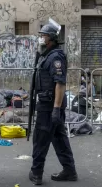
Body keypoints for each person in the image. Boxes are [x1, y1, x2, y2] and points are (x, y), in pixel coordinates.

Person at [29, 19, 78, 185]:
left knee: (41, 139)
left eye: (42, 35)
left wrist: (56, 109)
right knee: (59, 138)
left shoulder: (56, 57)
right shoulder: (47, 55)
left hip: (49, 106)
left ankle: (36, 173)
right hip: (48, 104)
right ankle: (69, 170)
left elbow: (60, 83)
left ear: (49, 37)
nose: (40, 38)